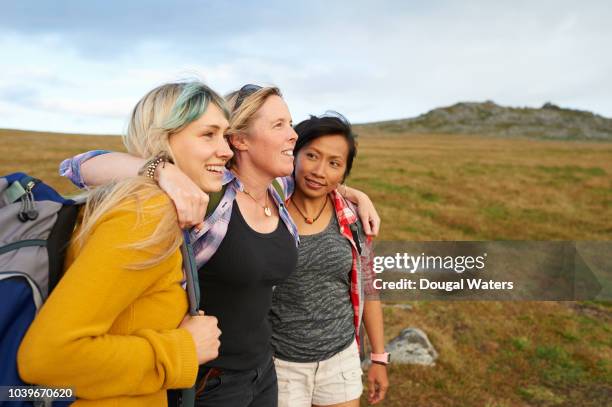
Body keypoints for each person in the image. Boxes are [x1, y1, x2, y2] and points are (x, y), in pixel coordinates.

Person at [59, 85, 381, 407]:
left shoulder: (278, 188)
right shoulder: (206, 194)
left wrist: (356, 195)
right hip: (208, 383)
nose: (294, 134)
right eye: (278, 124)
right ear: (240, 139)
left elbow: (318, 180)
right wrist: (163, 171)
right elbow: (78, 166)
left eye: (290, 122)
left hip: (263, 370)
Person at [17, 81, 227, 406]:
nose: (226, 149)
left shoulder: (147, 204)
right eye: (208, 134)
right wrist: (183, 349)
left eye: (225, 135)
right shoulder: (145, 214)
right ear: (163, 137)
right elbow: (47, 357)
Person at [269, 113, 389, 407]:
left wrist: (378, 358)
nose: (319, 171)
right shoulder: (266, 209)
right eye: (312, 155)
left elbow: (369, 288)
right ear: (294, 154)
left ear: (344, 172)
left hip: (340, 360)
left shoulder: (351, 217)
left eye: (334, 163)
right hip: (279, 364)